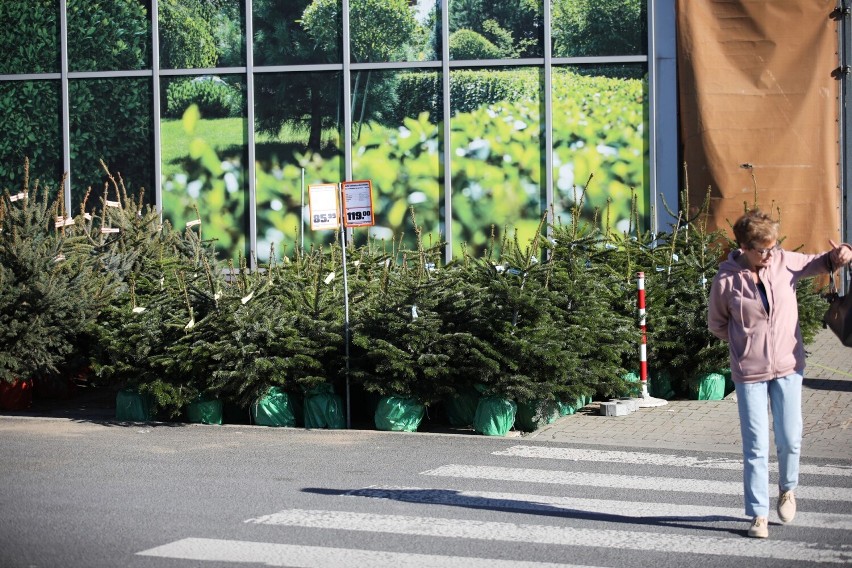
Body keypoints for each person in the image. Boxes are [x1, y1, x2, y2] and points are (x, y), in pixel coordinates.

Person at [707, 209, 852, 539]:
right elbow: (716, 323)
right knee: (756, 444)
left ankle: (787, 490)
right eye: (764, 249)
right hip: (749, 372)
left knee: (790, 438)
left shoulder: (785, 261)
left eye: (773, 246)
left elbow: (822, 262)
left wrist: (841, 254)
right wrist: (745, 343)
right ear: (744, 247)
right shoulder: (726, 279)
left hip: (788, 367)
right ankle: (758, 514)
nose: (771, 253)